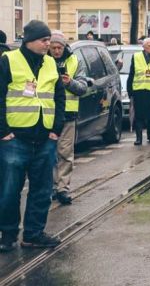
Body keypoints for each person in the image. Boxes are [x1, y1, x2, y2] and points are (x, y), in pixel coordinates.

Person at [0, 20, 65, 251]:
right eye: (44, 40)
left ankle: (33, 234)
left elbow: (58, 96)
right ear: (29, 41)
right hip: (15, 139)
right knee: (9, 190)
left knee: (42, 190)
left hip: (45, 138)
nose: (48, 44)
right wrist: (3, 131)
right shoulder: (8, 60)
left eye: (49, 40)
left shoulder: (50, 63)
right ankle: (7, 235)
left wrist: (56, 128)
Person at [48, 31, 88, 205]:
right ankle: (50, 188)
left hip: (68, 115)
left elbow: (83, 87)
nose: (56, 51)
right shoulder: (43, 61)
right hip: (47, 115)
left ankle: (62, 188)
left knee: (65, 153)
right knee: (48, 154)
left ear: (65, 47)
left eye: (59, 47)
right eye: (53, 47)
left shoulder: (74, 61)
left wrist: (69, 82)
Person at [127, 38, 150, 145]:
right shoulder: (136, 57)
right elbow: (132, 74)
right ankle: (138, 138)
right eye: (149, 46)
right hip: (139, 91)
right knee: (139, 115)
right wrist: (130, 91)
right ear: (143, 47)